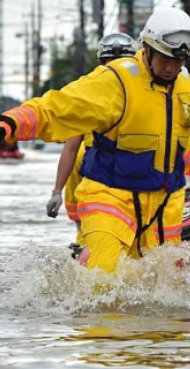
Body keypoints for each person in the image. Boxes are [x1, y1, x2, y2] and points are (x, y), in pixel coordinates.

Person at [0, 7, 190, 272]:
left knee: (162, 291)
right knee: (105, 284)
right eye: (164, 59)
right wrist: (9, 124)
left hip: (162, 207)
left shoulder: (184, 85)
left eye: (179, 61)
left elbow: (179, 145)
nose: (171, 68)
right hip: (111, 199)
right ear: (147, 48)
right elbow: (57, 107)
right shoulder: (115, 81)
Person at [45, 33, 138, 250]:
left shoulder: (146, 93)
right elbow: (70, 148)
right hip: (92, 173)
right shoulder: (89, 96)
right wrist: (57, 192)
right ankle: (84, 244)